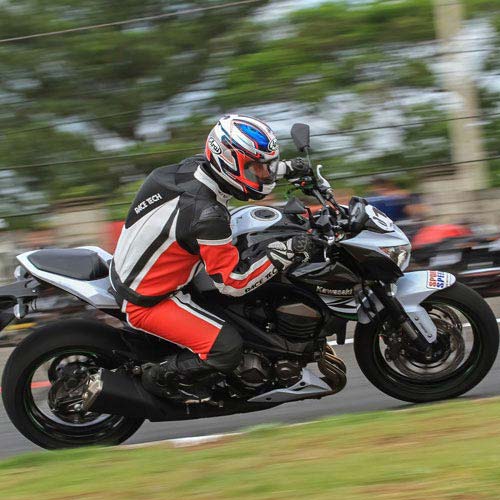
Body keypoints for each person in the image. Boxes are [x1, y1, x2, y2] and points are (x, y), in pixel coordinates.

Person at [110, 115, 312, 402]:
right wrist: (287, 251)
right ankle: (154, 381)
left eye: (265, 166)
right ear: (229, 161)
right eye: (256, 167)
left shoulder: (194, 170)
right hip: (151, 300)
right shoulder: (207, 216)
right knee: (226, 348)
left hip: (144, 265)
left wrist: (289, 168)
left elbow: (245, 172)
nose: (263, 174)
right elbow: (234, 283)